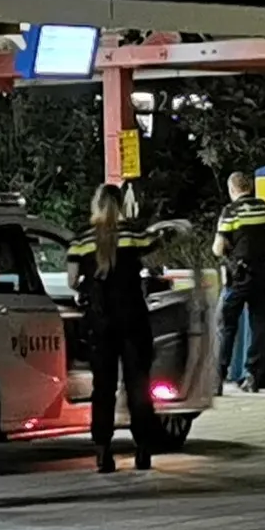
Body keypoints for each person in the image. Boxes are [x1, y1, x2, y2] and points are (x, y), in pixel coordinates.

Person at [68, 181, 162, 472]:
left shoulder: (81, 240)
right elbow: (156, 254)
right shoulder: (134, 235)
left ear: (95, 205)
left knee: (103, 388)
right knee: (138, 386)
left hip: (100, 322)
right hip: (133, 319)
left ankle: (102, 451)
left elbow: (72, 281)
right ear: (121, 205)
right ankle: (143, 449)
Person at [214, 171, 265, 392]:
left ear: (232, 189)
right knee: (259, 324)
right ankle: (253, 376)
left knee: (226, 325)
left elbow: (218, 248)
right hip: (263, 275)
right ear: (250, 187)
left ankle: (218, 377)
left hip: (239, 276)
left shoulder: (230, 212)